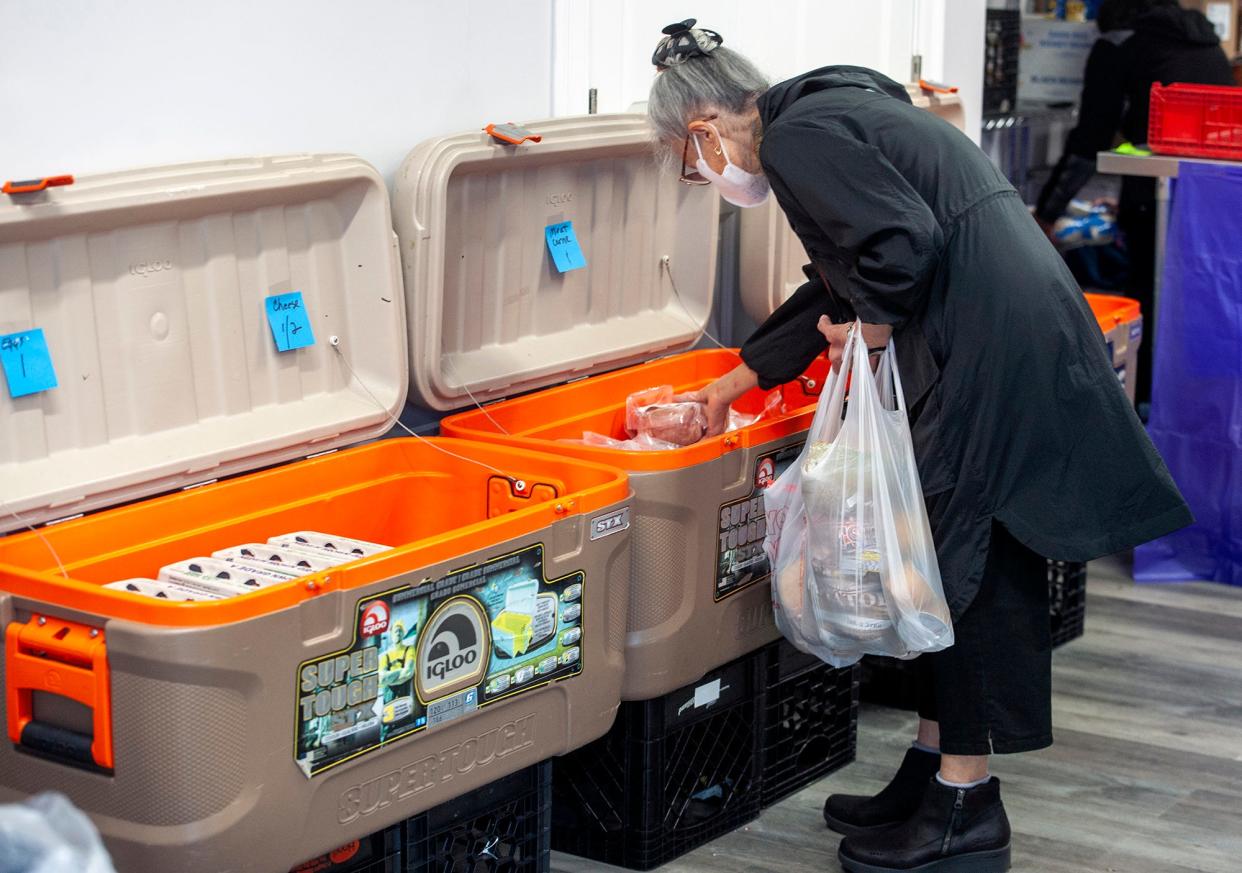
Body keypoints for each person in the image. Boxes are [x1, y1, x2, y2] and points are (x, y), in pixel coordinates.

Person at [648, 19, 1192, 873]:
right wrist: (734, 381)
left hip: (990, 343)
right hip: (1003, 324)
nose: (705, 176)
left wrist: (866, 334)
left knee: (961, 566)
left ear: (704, 132)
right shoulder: (830, 115)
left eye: (692, 164)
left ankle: (967, 805)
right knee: (947, 557)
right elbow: (841, 275)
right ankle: (935, 769)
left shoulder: (799, 138)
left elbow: (903, 246)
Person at [1035, 0, 1233, 408]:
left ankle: (1142, 405)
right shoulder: (1208, 44)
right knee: (1197, 301)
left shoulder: (1120, 44)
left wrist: (1047, 214)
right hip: (1216, 202)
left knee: (1147, 295)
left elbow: (1089, 139)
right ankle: (1190, 405)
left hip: (1152, 200)